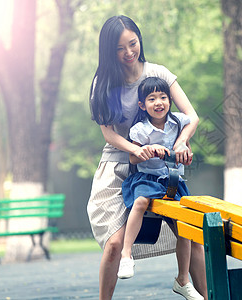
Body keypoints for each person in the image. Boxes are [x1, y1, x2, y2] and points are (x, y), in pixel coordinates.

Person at [87, 15, 207, 300]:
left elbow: (192, 117)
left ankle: (203, 293)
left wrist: (180, 142)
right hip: (118, 165)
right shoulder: (105, 83)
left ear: (140, 39)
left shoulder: (159, 74)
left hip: (158, 168)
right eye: (120, 48)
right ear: (109, 51)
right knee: (115, 244)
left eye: (133, 43)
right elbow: (109, 134)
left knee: (191, 235)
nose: (129, 52)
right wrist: (134, 150)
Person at [117, 77, 203, 300]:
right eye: (152, 98)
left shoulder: (178, 123)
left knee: (185, 227)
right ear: (142, 105)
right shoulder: (140, 129)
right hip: (147, 179)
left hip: (174, 182)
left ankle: (182, 279)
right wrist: (146, 149)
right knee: (141, 201)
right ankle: (126, 255)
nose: (159, 102)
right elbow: (132, 159)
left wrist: (185, 154)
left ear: (169, 101)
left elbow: (187, 155)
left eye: (163, 97)